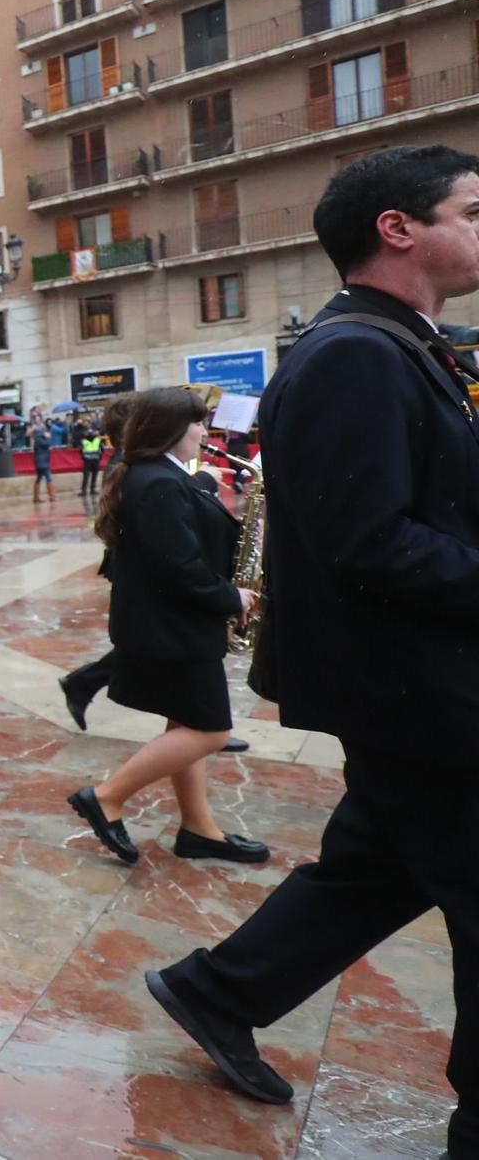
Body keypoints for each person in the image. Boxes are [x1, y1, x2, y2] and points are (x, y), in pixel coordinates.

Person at [140, 148, 479, 1150]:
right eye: (471, 207)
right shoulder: (350, 356)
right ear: (396, 227)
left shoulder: (398, 345)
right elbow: (366, 541)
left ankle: (216, 989)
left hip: (421, 686)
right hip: (419, 690)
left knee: (373, 868)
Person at [65, 388, 266, 871]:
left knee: (185, 723)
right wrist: (230, 597)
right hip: (172, 631)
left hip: (174, 627)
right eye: (197, 424)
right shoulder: (157, 482)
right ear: (170, 431)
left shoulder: (163, 477)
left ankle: (199, 829)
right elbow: (178, 565)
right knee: (210, 731)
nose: (204, 433)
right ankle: (107, 797)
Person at [80, 425, 107, 497]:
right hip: (89, 460)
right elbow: (81, 451)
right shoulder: (84, 441)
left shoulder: (97, 440)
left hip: (94, 460)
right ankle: (84, 490)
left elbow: (102, 450)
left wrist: (99, 458)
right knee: (86, 476)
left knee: (93, 475)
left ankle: (91, 489)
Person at [31, 425, 54, 503]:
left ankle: (36, 497)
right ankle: (52, 496)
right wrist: (48, 437)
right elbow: (48, 444)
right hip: (43, 461)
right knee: (48, 478)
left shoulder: (37, 439)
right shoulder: (40, 439)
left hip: (39, 461)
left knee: (39, 478)